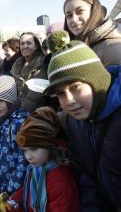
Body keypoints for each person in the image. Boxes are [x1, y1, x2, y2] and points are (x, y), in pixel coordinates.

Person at [44, 30, 121, 211]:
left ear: (96, 80)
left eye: (75, 86)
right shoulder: (74, 122)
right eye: (61, 93)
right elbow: (86, 174)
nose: (69, 101)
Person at [7, 107, 80, 212]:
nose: (28, 156)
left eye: (33, 149)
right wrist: (16, 199)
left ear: (48, 145)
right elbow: (30, 188)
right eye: (25, 150)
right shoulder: (37, 167)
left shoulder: (59, 179)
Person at [0, 75, 29, 199]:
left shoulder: (20, 123)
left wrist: (11, 189)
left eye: (1, 101)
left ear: (11, 100)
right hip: (0, 184)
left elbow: (24, 160)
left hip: (16, 190)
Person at [63, 0, 121, 66]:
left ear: (94, 11)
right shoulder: (75, 47)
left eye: (80, 11)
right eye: (69, 15)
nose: (74, 19)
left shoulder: (113, 48)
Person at [11, 32, 47, 112]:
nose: (25, 46)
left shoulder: (42, 64)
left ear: (36, 46)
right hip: (18, 107)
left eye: (29, 43)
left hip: (36, 112)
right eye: (22, 43)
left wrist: (20, 113)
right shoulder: (17, 65)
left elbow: (34, 97)